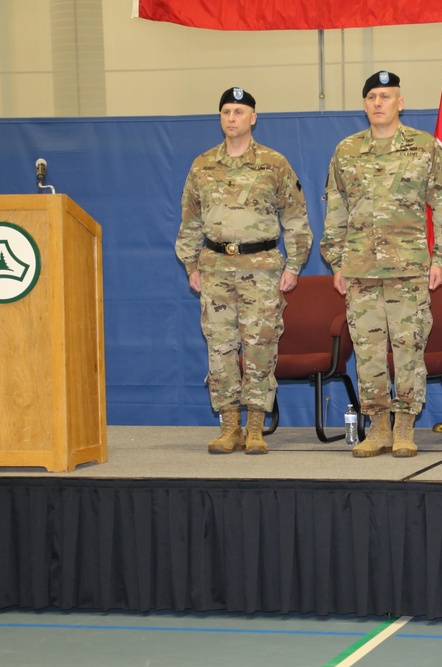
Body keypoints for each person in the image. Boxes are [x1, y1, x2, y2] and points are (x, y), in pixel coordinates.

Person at [321, 71, 442, 459]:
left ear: (401, 102)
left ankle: (404, 427)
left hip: (409, 269)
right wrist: (336, 261)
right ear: (364, 105)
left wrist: (441, 257)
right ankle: (378, 427)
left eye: (386, 96)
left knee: (408, 351)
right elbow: (336, 209)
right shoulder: (346, 150)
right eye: (372, 97)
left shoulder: (424, 147)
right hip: (360, 270)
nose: (378, 103)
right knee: (367, 351)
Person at [176, 87, 312, 455]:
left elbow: (295, 218)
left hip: (262, 269)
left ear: (253, 117)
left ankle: (255, 426)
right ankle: (228, 427)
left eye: (239, 111)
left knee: (259, 347)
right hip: (215, 267)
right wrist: (191, 263)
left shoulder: (274, 163)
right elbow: (190, 220)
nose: (232, 117)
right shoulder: (202, 165)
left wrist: (295, 264)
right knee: (220, 349)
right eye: (226, 111)